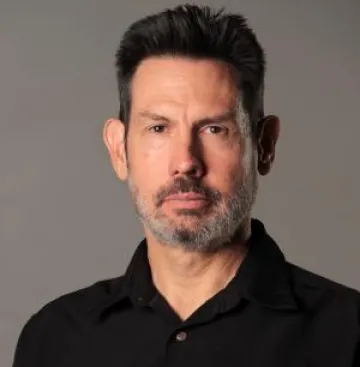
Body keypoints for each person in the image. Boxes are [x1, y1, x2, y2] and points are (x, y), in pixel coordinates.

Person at [13, 4, 360, 367]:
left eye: (214, 129)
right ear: (119, 149)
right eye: (158, 128)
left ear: (265, 145)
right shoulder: (54, 339)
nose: (186, 162)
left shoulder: (348, 335)